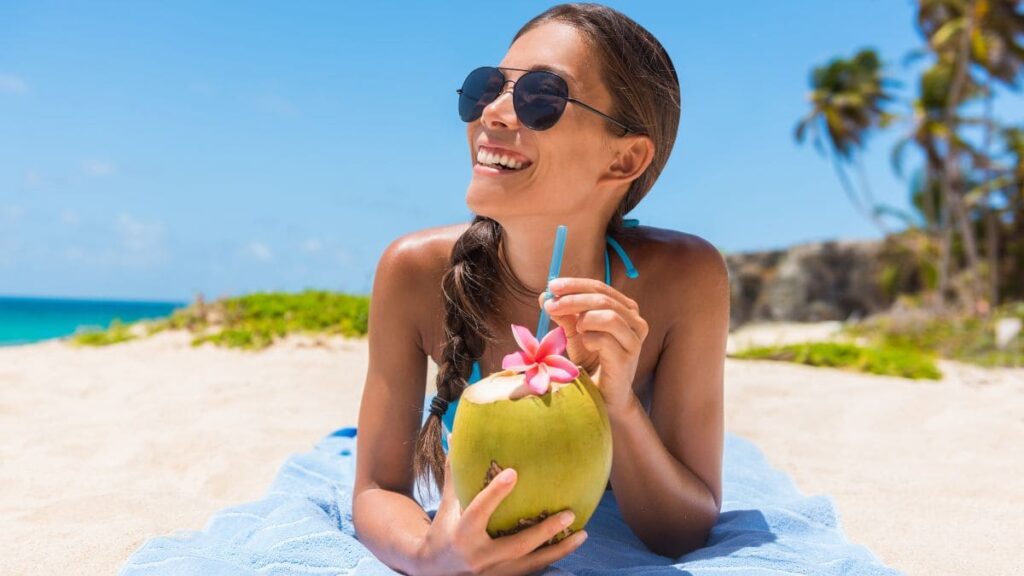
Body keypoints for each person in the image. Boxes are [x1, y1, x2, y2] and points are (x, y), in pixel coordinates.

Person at [352, 3, 728, 574]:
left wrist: (618, 405)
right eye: (486, 89)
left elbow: (682, 532)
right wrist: (431, 556)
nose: (494, 115)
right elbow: (377, 487)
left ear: (624, 157)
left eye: (542, 97)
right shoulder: (413, 271)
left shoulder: (684, 279)